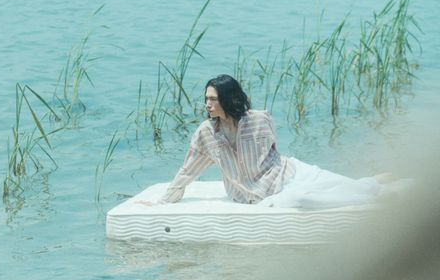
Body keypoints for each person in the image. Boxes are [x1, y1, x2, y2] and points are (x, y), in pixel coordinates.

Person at [140, 74, 397, 209]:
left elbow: (274, 154)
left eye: (213, 99)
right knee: (303, 200)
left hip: (289, 174)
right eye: (206, 99)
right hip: (260, 196)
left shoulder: (259, 120)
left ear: (228, 99)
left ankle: (381, 183)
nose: (207, 104)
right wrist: (163, 201)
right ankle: (375, 195)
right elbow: (189, 170)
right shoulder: (206, 133)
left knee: (346, 184)